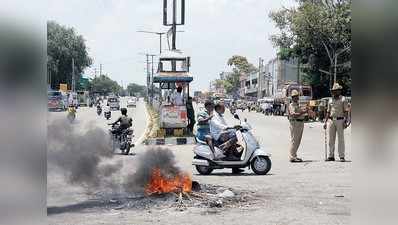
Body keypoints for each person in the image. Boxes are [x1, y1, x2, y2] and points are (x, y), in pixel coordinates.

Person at [323, 83, 349, 162]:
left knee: (341, 139)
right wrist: (325, 121)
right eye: (333, 91)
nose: (334, 92)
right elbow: (328, 111)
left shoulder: (343, 99)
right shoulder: (330, 100)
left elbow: (346, 111)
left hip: (340, 120)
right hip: (331, 120)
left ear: (339, 91)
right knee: (331, 139)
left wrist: (345, 121)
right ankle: (331, 156)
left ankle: (341, 156)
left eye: (336, 91)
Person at [288, 90, 307, 162]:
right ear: (292, 98)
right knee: (294, 140)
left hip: (300, 123)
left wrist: (305, 111)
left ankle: (294, 155)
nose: (296, 98)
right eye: (294, 97)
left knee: (298, 140)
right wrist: (302, 112)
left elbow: (301, 112)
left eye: (297, 96)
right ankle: (292, 156)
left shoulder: (298, 104)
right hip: (295, 123)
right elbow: (293, 115)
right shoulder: (291, 105)